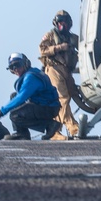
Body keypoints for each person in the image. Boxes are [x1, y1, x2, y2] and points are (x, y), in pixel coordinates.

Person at [0, 52, 61, 141]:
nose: (15, 69)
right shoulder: (30, 73)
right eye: (12, 67)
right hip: (44, 105)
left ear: (25, 64)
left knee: (15, 115)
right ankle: (21, 133)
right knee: (13, 96)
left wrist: (1, 111)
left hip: (48, 108)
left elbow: (22, 97)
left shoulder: (31, 77)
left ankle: (49, 125)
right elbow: (18, 96)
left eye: (17, 65)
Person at [38, 10, 80, 139]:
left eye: (65, 22)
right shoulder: (50, 35)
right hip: (54, 69)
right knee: (63, 98)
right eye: (60, 22)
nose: (63, 25)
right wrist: (59, 48)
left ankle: (54, 130)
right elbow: (42, 50)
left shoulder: (73, 38)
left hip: (67, 70)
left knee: (74, 95)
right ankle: (72, 126)